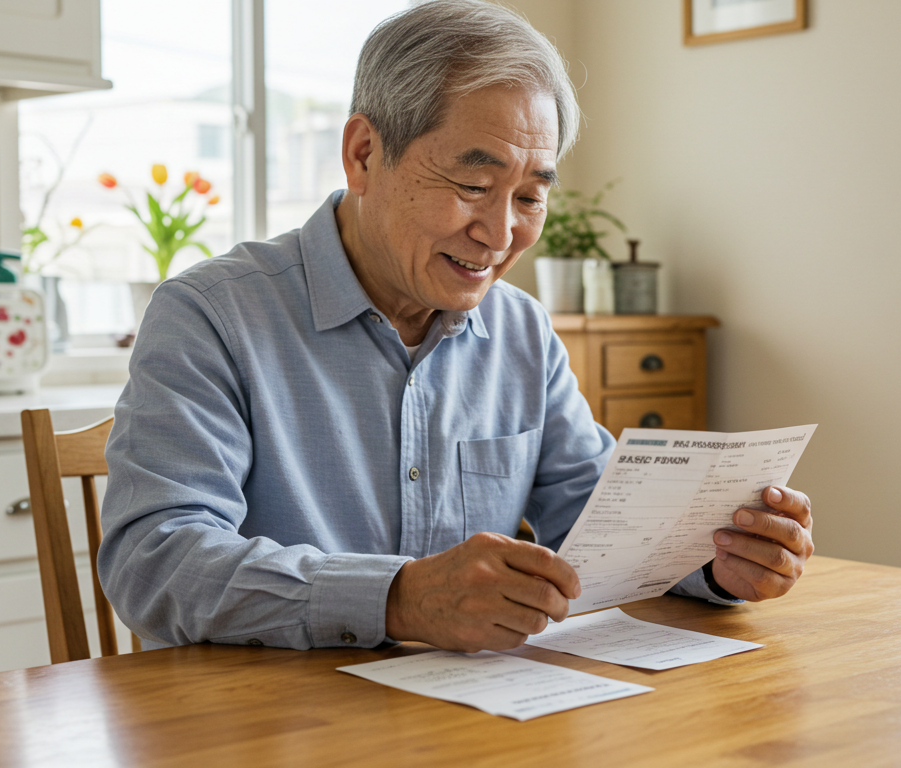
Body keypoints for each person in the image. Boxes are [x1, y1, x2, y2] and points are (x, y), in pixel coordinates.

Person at [99, 0, 813, 654]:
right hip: (269, 728)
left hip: (473, 721)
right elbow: (154, 560)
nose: (500, 233)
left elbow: (600, 524)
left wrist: (716, 559)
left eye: (530, 195)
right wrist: (398, 599)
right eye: (473, 185)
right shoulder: (210, 315)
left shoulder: (521, 332)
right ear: (363, 154)